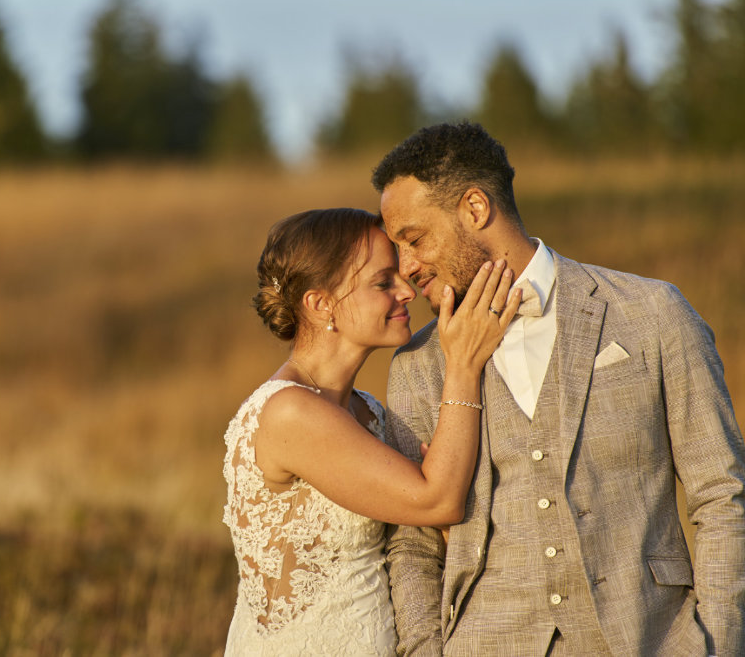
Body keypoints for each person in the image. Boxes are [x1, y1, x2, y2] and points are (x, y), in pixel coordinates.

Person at [372, 121, 745, 656]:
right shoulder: (417, 365)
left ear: (475, 208)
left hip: (649, 639)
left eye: (414, 239)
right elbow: (413, 544)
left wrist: (717, 644)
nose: (406, 267)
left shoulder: (652, 313)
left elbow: (722, 494)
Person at [222, 207, 521, 655]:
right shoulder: (289, 412)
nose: (407, 290)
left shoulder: (369, 413)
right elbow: (438, 499)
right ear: (320, 304)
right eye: (383, 283)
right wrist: (462, 364)